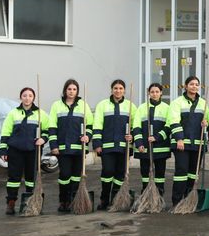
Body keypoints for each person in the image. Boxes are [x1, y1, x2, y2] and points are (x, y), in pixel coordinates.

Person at [0, 87, 49, 215]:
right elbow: (5, 133)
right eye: (24, 95)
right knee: (13, 178)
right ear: (20, 97)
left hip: (33, 150)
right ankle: (11, 203)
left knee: (31, 178)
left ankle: (31, 202)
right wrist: (3, 150)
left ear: (34, 98)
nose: (27, 98)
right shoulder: (13, 113)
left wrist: (43, 139)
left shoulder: (40, 114)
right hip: (15, 151)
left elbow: (48, 131)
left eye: (30, 96)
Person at [48, 79, 93, 213]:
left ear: (77, 91)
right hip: (63, 148)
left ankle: (75, 200)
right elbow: (52, 127)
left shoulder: (83, 105)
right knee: (64, 175)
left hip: (79, 148)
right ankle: (64, 200)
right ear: (65, 90)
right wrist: (54, 145)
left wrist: (88, 136)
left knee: (76, 176)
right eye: (69, 89)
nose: (71, 91)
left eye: (74, 89)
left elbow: (90, 126)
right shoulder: (56, 105)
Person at [92, 80, 135, 210]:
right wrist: (97, 144)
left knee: (120, 174)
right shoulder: (102, 105)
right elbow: (97, 125)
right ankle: (104, 199)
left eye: (121, 88)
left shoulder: (130, 106)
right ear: (111, 90)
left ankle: (116, 200)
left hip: (124, 147)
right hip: (107, 146)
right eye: (115, 88)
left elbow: (135, 125)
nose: (118, 90)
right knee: (108, 171)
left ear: (124, 91)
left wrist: (132, 135)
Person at [168, 76, 208, 206]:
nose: (194, 86)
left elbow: (208, 120)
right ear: (186, 86)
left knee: (193, 173)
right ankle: (177, 201)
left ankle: (189, 199)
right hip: (182, 144)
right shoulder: (177, 102)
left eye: (197, 84)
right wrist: (179, 138)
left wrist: (205, 123)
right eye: (191, 84)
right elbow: (173, 121)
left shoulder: (204, 103)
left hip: (197, 144)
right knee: (181, 171)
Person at [133, 83, 172, 198]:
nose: (154, 94)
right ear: (148, 93)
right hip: (144, 148)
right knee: (145, 173)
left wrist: (157, 137)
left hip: (161, 147)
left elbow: (169, 126)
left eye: (157, 92)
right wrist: (139, 143)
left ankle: (159, 196)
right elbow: (136, 126)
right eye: (152, 92)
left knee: (160, 173)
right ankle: (145, 194)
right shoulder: (142, 107)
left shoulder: (167, 108)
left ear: (161, 93)